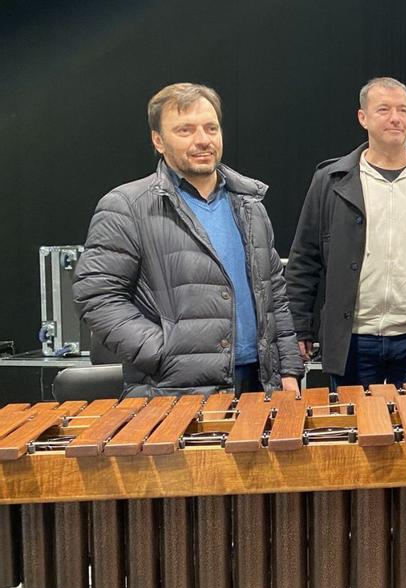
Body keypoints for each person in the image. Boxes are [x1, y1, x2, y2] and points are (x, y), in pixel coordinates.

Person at [74, 82, 302, 397]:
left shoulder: (250, 206)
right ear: (158, 140)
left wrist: (289, 369)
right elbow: (97, 298)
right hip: (173, 392)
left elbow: (274, 293)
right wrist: (163, 352)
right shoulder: (126, 206)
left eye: (211, 128)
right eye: (185, 130)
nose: (202, 140)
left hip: (259, 384)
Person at [286, 77, 406, 387]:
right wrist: (299, 326)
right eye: (383, 109)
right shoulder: (330, 182)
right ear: (363, 118)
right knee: (356, 430)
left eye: (402, 110)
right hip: (353, 338)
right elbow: (304, 261)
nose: (395, 118)